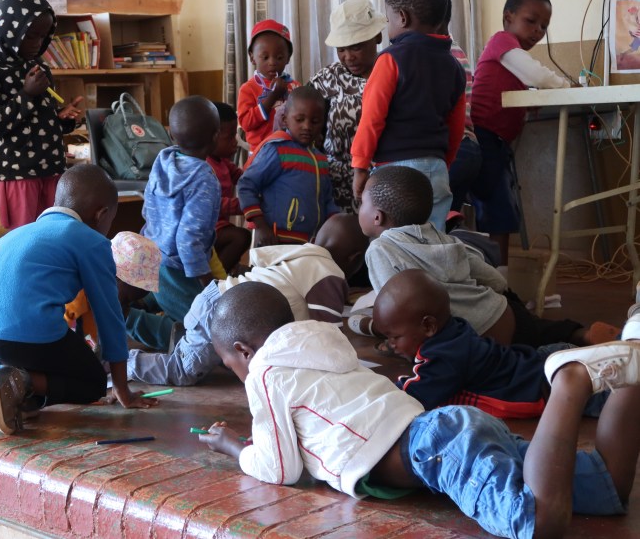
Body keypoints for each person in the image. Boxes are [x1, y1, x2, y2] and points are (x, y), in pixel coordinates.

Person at [200, 281, 640, 539]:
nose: (238, 372)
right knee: (607, 488)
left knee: (538, 521)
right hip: (445, 431)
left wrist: (235, 447)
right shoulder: (321, 342)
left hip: (436, 446)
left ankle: (570, 382)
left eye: (230, 364)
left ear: (243, 350)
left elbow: (280, 467)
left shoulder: (265, 371)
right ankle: (632, 363)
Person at [0, 164, 157, 436]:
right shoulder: (91, 241)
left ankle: (20, 396)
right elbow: (110, 317)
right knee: (93, 382)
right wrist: (123, 390)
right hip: (24, 334)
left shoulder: (15, 235)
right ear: (102, 214)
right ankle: (19, 381)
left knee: (43, 350)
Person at [359, 165, 617, 349]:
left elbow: (395, 309)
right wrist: (505, 295)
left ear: (377, 216)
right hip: (501, 315)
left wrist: (387, 337)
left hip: (466, 337)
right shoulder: (442, 237)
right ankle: (581, 335)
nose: (359, 208)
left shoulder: (381, 250)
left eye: (362, 203)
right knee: (537, 332)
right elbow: (490, 276)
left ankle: (563, 359)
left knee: (512, 362)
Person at [127, 213, 367, 386]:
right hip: (223, 313)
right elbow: (329, 336)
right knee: (182, 372)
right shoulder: (329, 273)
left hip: (221, 303)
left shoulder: (301, 255)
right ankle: (121, 364)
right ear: (355, 259)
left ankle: (182, 339)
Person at [373, 268, 609, 419]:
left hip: (548, 385)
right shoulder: (452, 332)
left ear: (428, 327)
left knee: (619, 399)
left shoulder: (443, 358)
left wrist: (371, 391)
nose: (391, 344)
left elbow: (410, 398)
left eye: (395, 337)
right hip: (540, 362)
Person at [0, 232, 161, 380]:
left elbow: (90, 340)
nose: (129, 306)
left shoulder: (89, 283)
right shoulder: (76, 294)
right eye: (130, 298)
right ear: (114, 278)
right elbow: (56, 343)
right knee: (26, 374)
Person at [350, 0, 465, 232]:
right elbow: (455, 128)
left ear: (402, 17)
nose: (389, 27)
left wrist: (359, 165)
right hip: (436, 169)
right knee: (432, 241)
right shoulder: (454, 67)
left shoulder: (390, 59)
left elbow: (372, 118)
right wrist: (442, 164)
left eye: (389, 19)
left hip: (395, 173)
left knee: (394, 246)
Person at [471, 0, 570, 269]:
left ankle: (499, 280)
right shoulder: (502, 42)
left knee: (500, 207)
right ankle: (497, 282)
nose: (539, 30)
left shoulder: (510, 57)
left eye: (544, 26)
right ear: (508, 17)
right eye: (531, 21)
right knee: (497, 208)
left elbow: (526, 80)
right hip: (484, 138)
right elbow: (539, 75)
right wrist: (567, 86)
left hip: (496, 141)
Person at [0, 0, 83, 230]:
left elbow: (40, 119)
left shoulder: (39, 66)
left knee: (56, 237)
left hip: (54, 170)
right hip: (18, 176)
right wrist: (26, 93)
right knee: (27, 242)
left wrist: (62, 119)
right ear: (11, 29)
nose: (37, 43)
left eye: (43, 36)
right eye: (30, 35)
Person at [125, 96, 222, 352]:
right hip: (177, 268)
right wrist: (207, 284)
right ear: (215, 136)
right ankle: (126, 320)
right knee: (205, 332)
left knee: (178, 303)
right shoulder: (204, 179)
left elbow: (148, 206)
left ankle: (151, 301)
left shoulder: (163, 159)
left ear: (171, 134)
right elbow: (188, 240)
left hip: (153, 254)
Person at [308, 0, 386, 213]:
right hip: (332, 186)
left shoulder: (391, 72)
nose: (348, 57)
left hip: (380, 183)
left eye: (356, 47)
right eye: (341, 49)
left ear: (377, 37)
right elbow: (300, 115)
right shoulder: (328, 78)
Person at [238, 86, 338, 247]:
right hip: (275, 240)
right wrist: (261, 226)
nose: (307, 126)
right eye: (300, 119)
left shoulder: (320, 159)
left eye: (315, 121)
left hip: (309, 244)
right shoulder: (277, 149)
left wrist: (337, 223)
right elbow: (246, 185)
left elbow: (326, 199)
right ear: (285, 119)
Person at [439, 0, 482, 215]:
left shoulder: (431, 56)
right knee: (447, 219)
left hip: (450, 151)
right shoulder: (455, 51)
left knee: (431, 224)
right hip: (468, 148)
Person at [238, 20, 301, 152]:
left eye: (279, 57)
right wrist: (273, 96)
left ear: (288, 58)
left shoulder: (295, 87)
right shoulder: (248, 89)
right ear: (252, 57)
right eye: (265, 57)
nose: (272, 62)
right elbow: (246, 123)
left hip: (290, 151)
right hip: (261, 153)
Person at [207, 102, 250, 274]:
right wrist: (246, 205)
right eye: (230, 137)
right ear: (213, 137)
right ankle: (217, 280)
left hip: (220, 226)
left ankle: (229, 270)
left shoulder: (223, 162)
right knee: (240, 237)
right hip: (208, 228)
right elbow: (213, 204)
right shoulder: (205, 167)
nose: (235, 143)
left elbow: (242, 177)